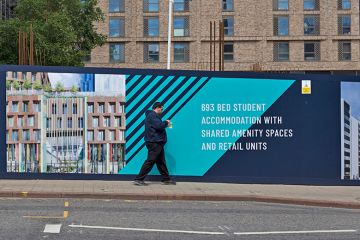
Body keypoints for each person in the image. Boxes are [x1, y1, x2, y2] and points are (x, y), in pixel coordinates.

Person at [133, 102, 176, 186]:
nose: (162, 110)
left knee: (161, 161)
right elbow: (159, 126)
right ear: (157, 107)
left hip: (157, 142)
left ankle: (166, 179)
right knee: (150, 161)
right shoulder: (152, 115)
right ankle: (138, 179)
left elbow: (157, 126)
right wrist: (166, 122)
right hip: (155, 142)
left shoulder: (152, 116)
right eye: (162, 108)